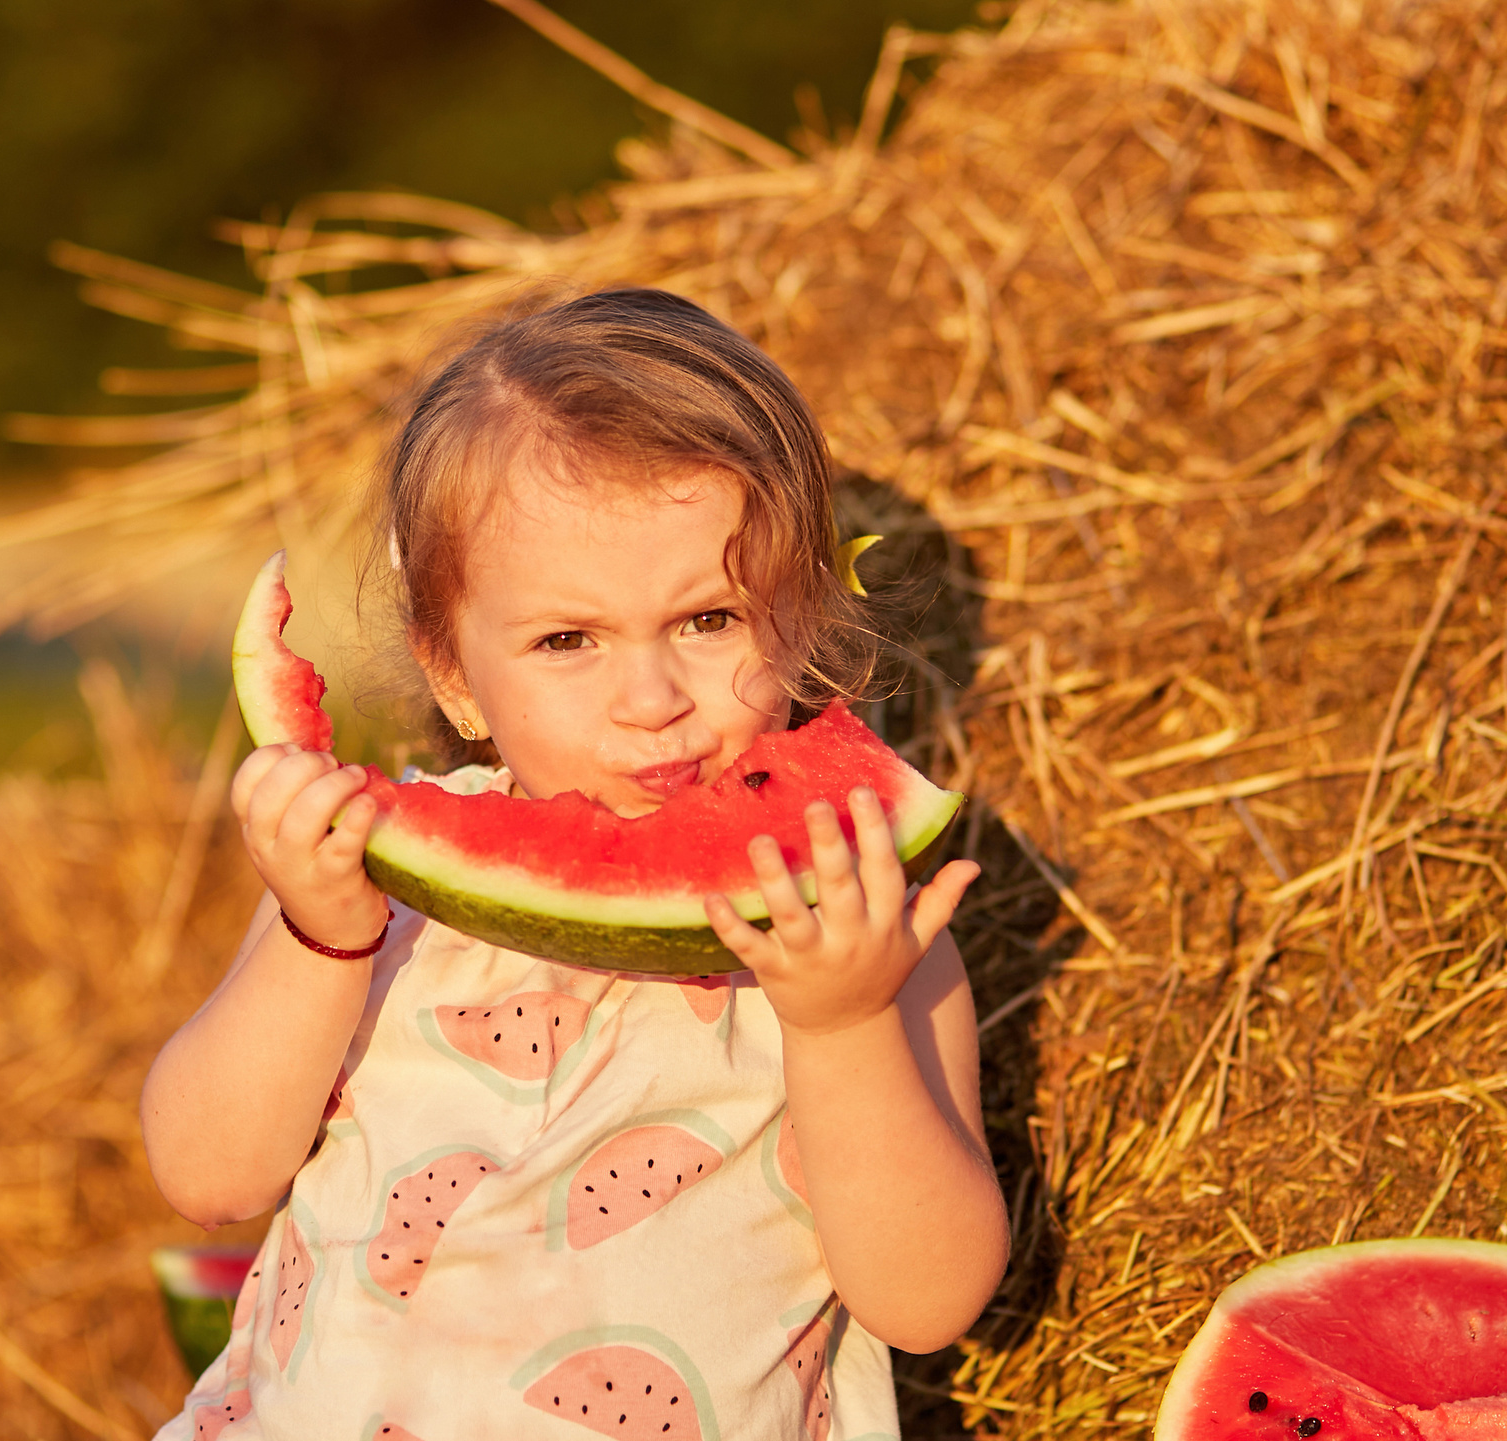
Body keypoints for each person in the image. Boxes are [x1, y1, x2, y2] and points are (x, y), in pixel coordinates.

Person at [139, 288, 1007, 1440]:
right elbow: (210, 1175)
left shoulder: (864, 925)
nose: (651, 701)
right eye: (567, 641)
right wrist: (318, 938)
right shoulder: (373, 885)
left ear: (798, 618)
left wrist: (842, 1025)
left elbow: (925, 1302)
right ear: (451, 673)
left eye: (708, 620)